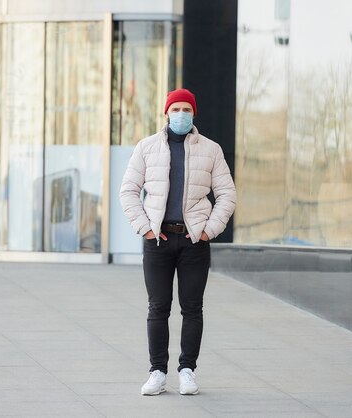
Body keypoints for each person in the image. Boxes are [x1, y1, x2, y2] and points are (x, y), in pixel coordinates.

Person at [120, 88, 236, 396]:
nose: (181, 114)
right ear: (166, 113)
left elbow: (227, 194)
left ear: (193, 113)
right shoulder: (146, 147)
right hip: (157, 240)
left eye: (186, 109)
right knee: (158, 307)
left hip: (193, 241)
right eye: (176, 109)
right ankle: (157, 372)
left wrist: (209, 230)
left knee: (192, 307)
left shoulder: (211, 150)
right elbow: (128, 190)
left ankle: (187, 371)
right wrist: (144, 227)